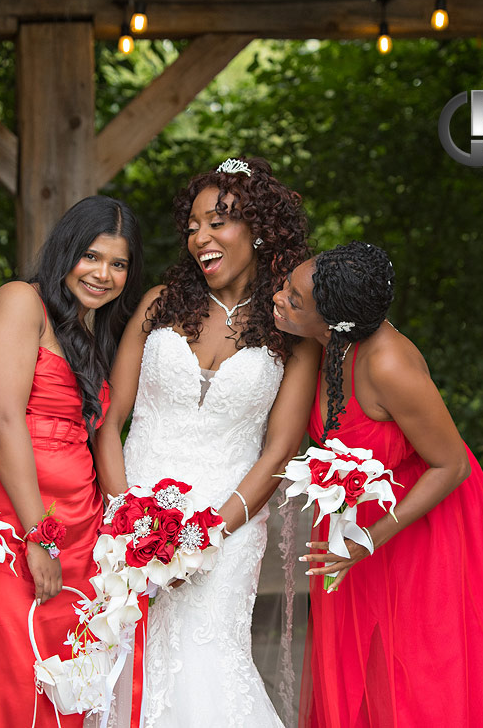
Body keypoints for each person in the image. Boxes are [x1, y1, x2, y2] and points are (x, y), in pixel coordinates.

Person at [272, 241, 483, 728]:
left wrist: (366, 541)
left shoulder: (388, 365)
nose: (279, 297)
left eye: (293, 298)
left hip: (419, 532)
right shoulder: (331, 343)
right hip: (355, 532)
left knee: (419, 684)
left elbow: (451, 464)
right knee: (363, 678)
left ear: (334, 321)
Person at [96, 157, 320, 728]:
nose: (201, 237)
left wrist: (208, 533)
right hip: (130, 517)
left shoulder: (290, 329)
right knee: (122, 659)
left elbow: (279, 450)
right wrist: (128, 517)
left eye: (217, 222)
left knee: (206, 660)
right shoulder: (157, 304)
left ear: (259, 227)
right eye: (193, 226)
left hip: (229, 527)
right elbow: (110, 416)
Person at [0, 195, 144, 727]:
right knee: (9, 667)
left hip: (74, 525)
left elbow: (94, 436)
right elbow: (3, 420)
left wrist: (123, 531)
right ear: (64, 252)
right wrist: (38, 536)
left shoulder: (89, 332)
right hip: (7, 521)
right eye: (91, 256)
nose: (103, 274)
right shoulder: (20, 301)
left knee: (62, 677)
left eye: (119, 263)